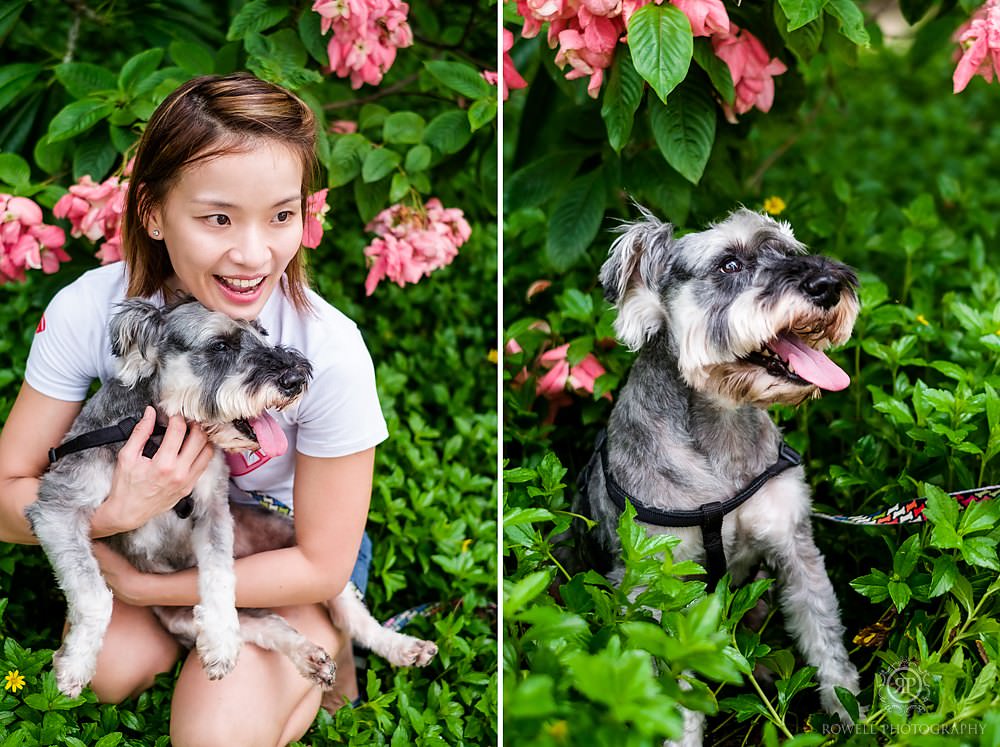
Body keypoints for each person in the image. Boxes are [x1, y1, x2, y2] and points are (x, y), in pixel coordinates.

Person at [0, 72, 387, 747]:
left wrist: (153, 592)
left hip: (283, 554)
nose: (253, 252)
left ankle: (323, 665)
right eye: (218, 217)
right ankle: (200, 651)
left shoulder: (329, 348)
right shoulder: (92, 312)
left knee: (214, 735)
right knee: (107, 675)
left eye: (282, 215)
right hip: (147, 541)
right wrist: (118, 509)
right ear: (152, 210)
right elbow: (4, 494)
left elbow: (323, 561)